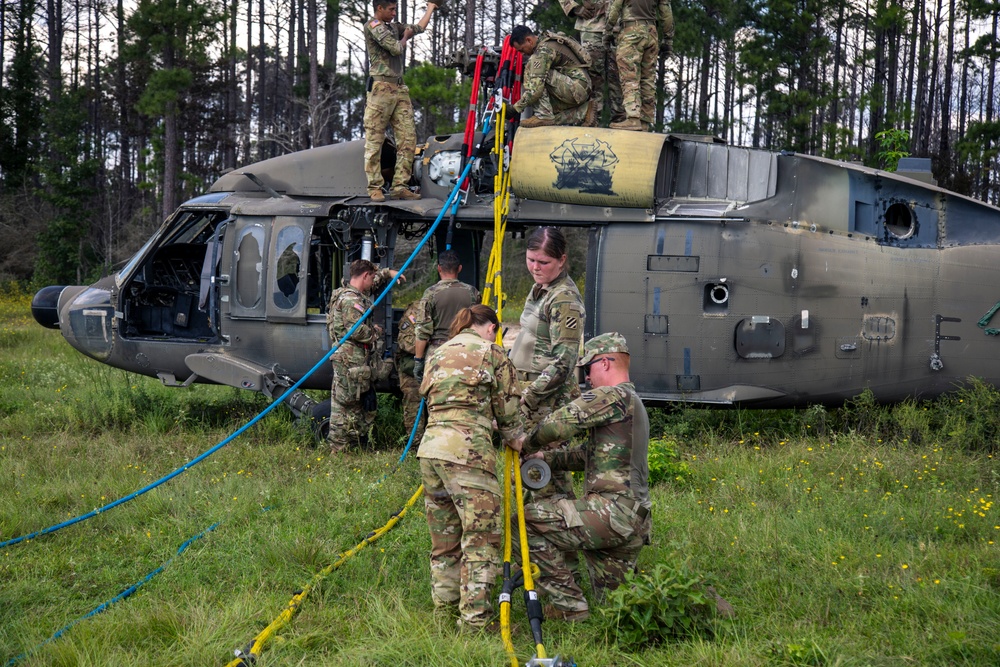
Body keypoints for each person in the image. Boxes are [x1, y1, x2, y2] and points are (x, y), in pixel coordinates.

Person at [519, 332, 651, 621]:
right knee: (620, 611)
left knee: (523, 521)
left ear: (604, 363)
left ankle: (569, 608)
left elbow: (560, 424)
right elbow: (586, 455)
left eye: (587, 369)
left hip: (612, 513)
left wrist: (523, 441)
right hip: (634, 518)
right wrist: (545, 458)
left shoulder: (613, 395)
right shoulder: (633, 404)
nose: (587, 379)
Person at [417, 305, 525, 630]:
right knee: (482, 539)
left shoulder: (437, 353)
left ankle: (444, 616)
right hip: (467, 454)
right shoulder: (491, 352)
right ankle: (475, 623)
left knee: (445, 542)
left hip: (430, 451)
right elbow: (509, 416)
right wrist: (520, 441)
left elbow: (438, 402)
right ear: (491, 327)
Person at [509, 226, 585, 500]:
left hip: (546, 399)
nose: (535, 267)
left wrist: (528, 398)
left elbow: (563, 362)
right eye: (531, 259)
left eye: (543, 262)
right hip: (530, 391)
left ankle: (556, 533)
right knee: (531, 471)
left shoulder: (563, 298)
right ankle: (536, 531)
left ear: (562, 260)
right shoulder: (541, 288)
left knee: (542, 472)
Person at [363, 0, 440, 202]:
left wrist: (431, 7)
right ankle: (375, 187)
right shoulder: (374, 27)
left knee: (407, 139)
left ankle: (400, 185)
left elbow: (418, 28)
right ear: (379, 9)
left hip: (399, 87)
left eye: (395, 9)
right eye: (391, 9)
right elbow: (396, 48)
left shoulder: (391, 26)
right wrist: (405, 36)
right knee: (375, 139)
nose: (394, 13)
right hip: (380, 89)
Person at [327, 259, 404, 452]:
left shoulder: (346, 292)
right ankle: (338, 448)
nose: (373, 282)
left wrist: (387, 273)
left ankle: (351, 446)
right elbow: (358, 331)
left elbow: (373, 280)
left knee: (354, 404)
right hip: (350, 362)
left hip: (351, 361)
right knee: (345, 406)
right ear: (364, 276)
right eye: (371, 277)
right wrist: (376, 331)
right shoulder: (351, 301)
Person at [413, 250, 481, 380]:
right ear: (459, 268)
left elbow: (422, 330)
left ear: (439, 268)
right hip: (465, 350)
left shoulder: (431, 293)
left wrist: (418, 360)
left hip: (438, 351)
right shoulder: (472, 292)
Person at [606, 0, 673, 131]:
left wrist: (608, 30)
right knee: (648, 79)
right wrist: (668, 39)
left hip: (631, 32)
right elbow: (666, 13)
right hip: (651, 33)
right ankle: (645, 121)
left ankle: (632, 118)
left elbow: (615, 8)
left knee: (629, 76)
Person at [510, 25, 593, 128]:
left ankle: (543, 116)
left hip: (575, 87)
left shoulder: (542, 52)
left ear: (529, 41)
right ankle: (583, 112)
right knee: (549, 109)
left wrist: (516, 108)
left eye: (522, 50)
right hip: (579, 87)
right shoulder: (546, 42)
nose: (522, 54)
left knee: (534, 72)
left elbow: (536, 89)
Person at [559, 0, 625, 125]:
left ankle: (621, 121)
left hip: (619, 26)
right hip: (592, 26)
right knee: (592, 77)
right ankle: (591, 120)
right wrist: (573, 7)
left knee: (619, 76)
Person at [394, 299, 426, 444]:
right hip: (412, 366)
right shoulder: (416, 311)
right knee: (414, 402)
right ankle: (416, 443)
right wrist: (428, 347)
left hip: (435, 364)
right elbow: (406, 342)